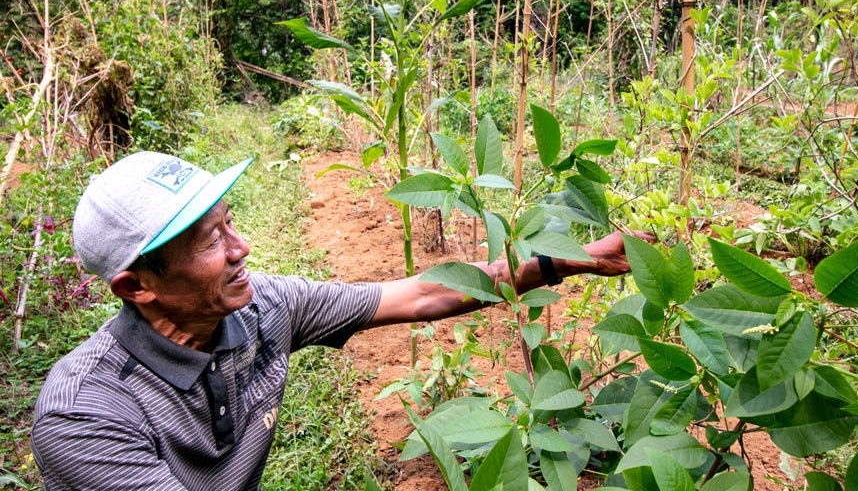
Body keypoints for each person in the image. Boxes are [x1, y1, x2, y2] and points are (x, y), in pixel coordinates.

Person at [31, 152, 651, 490]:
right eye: (208, 240)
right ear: (136, 287)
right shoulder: (86, 414)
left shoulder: (267, 305)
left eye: (228, 222)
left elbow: (421, 296)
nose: (240, 247)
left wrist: (568, 260)